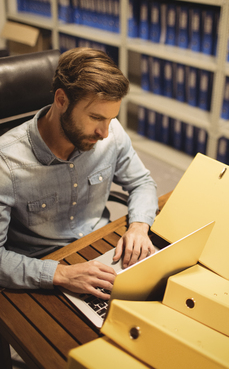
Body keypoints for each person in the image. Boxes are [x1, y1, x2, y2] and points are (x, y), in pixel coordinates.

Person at [0, 47, 158, 300]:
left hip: (105, 248)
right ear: (61, 100)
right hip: (42, 271)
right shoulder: (6, 163)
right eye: (96, 117)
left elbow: (141, 182)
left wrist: (139, 227)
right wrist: (62, 275)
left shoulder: (112, 133)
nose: (104, 132)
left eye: (110, 119)